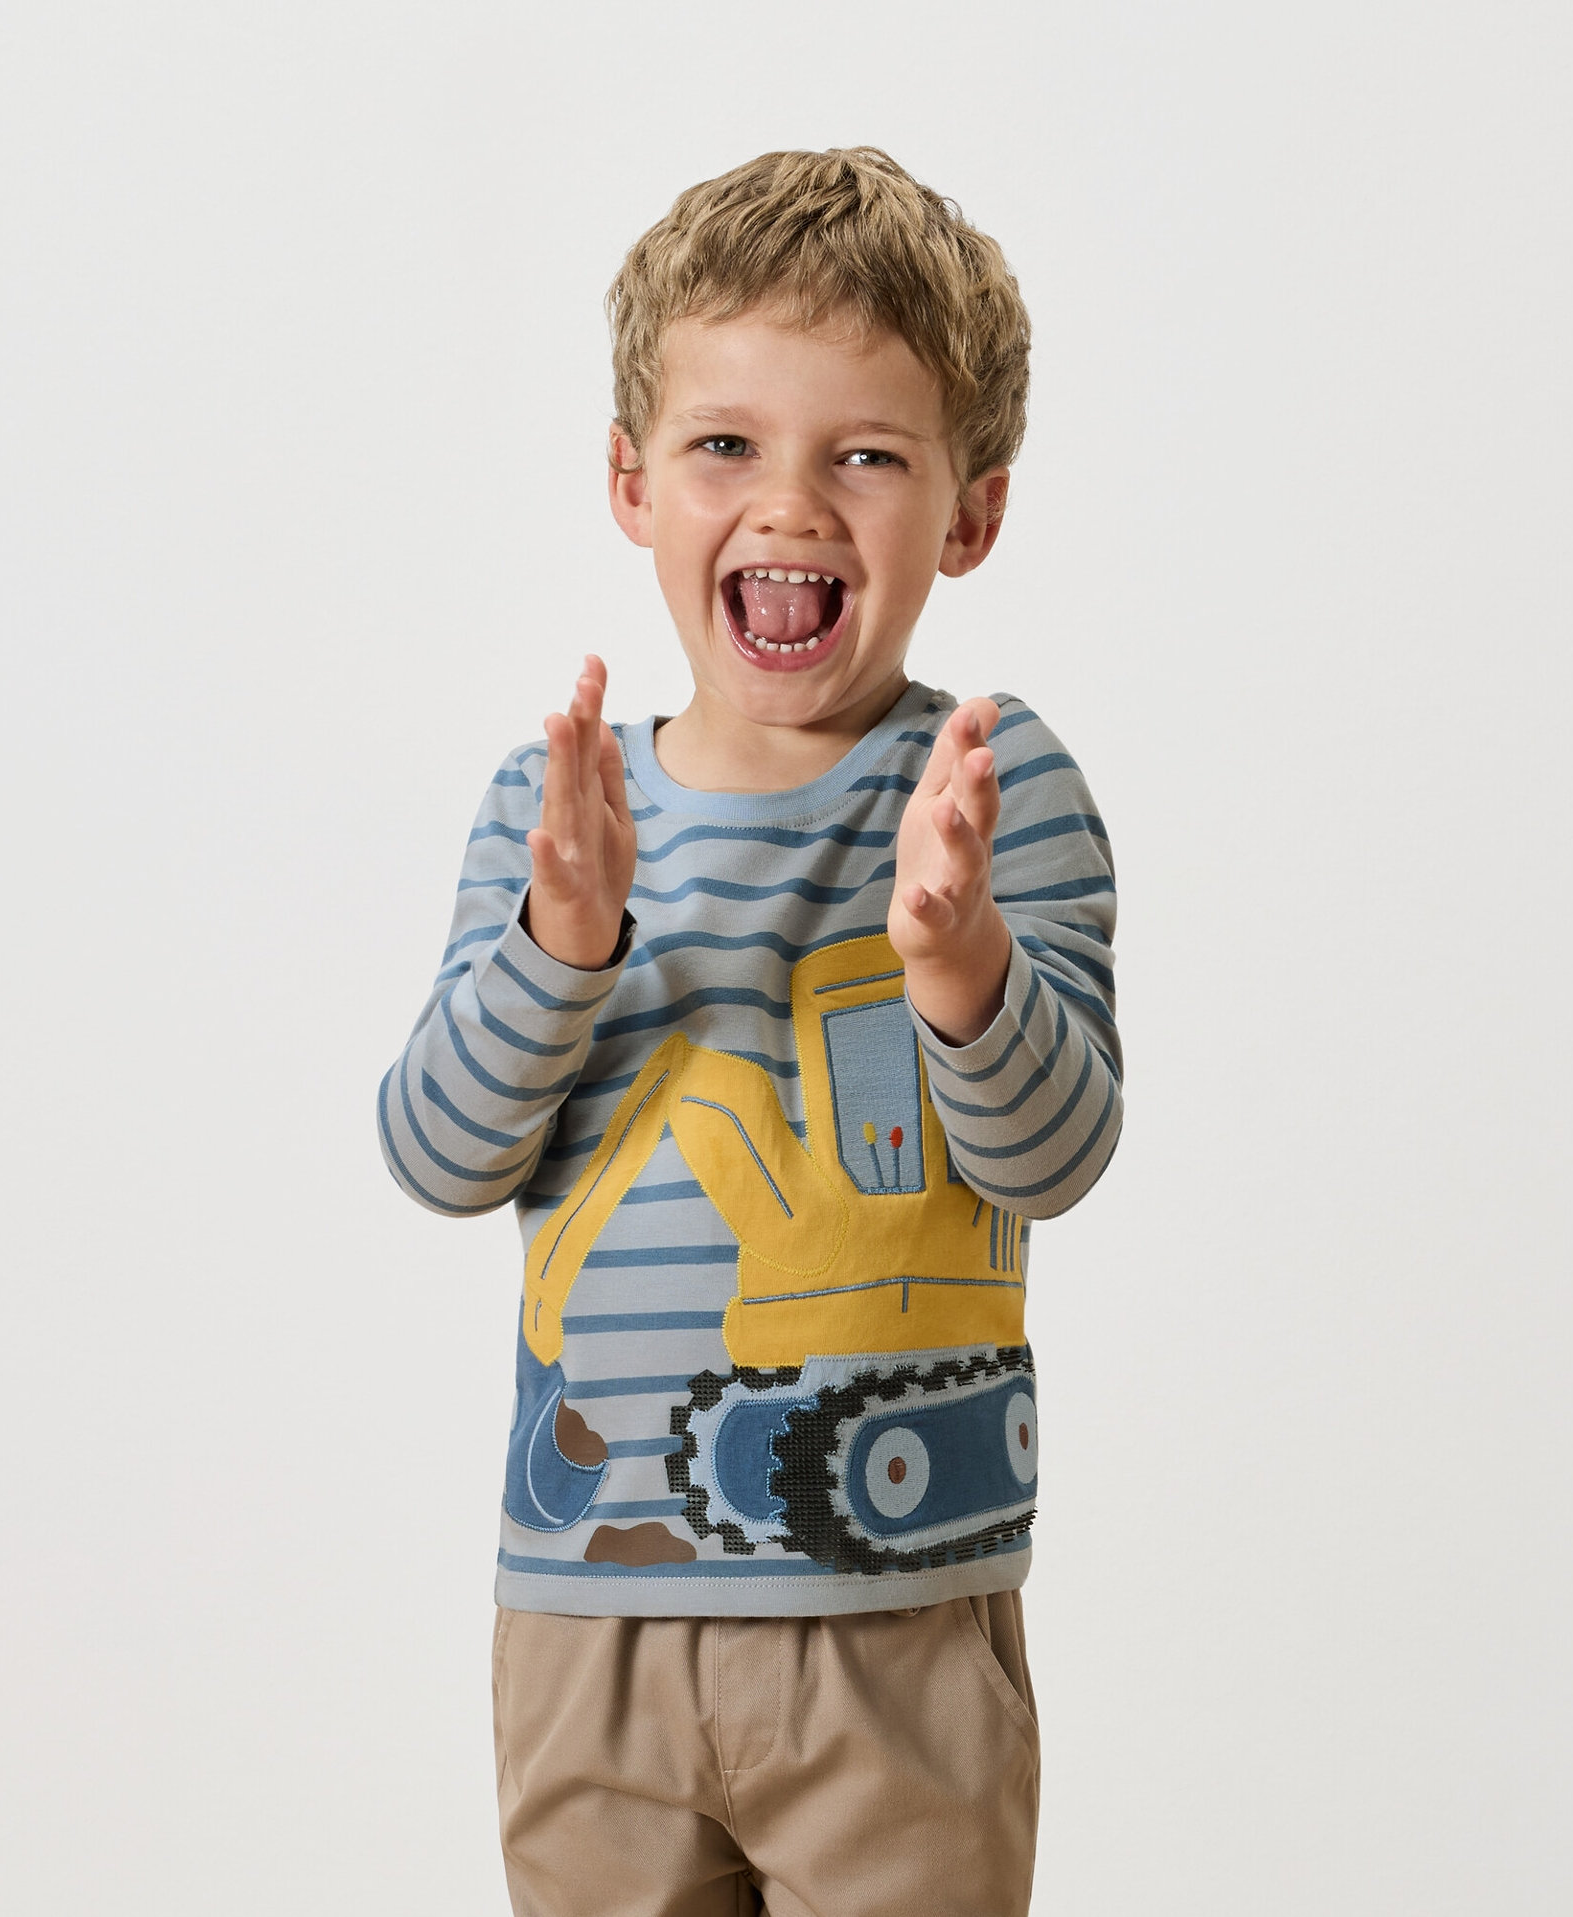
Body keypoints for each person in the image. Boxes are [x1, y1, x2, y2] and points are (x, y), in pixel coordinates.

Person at [380, 146, 1122, 1917]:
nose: (790, 504)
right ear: (633, 483)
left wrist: (953, 963)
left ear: (969, 513)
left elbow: (1056, 1153)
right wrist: (563, 945)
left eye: (862, 454)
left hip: (888, 1624)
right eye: (727, 445)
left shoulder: (988, 795)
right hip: (586, 1616)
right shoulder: (553, 812)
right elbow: (435, 1151)